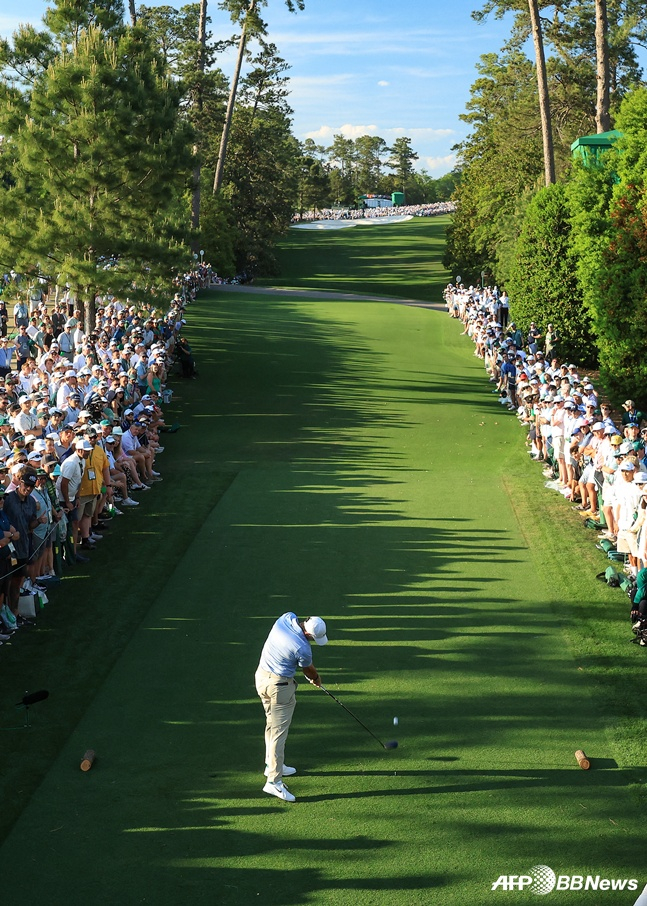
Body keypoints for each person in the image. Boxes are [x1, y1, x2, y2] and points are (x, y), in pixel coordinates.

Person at [255, 613, 328, 802]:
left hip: (261, 678)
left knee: (271, 724)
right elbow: (308, 670)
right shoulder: (303, 648)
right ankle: (273, 782)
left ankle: (271, 765)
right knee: (279, 734)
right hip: (279, 687)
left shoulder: (285, 618)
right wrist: (316, 679)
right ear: (309, 635)